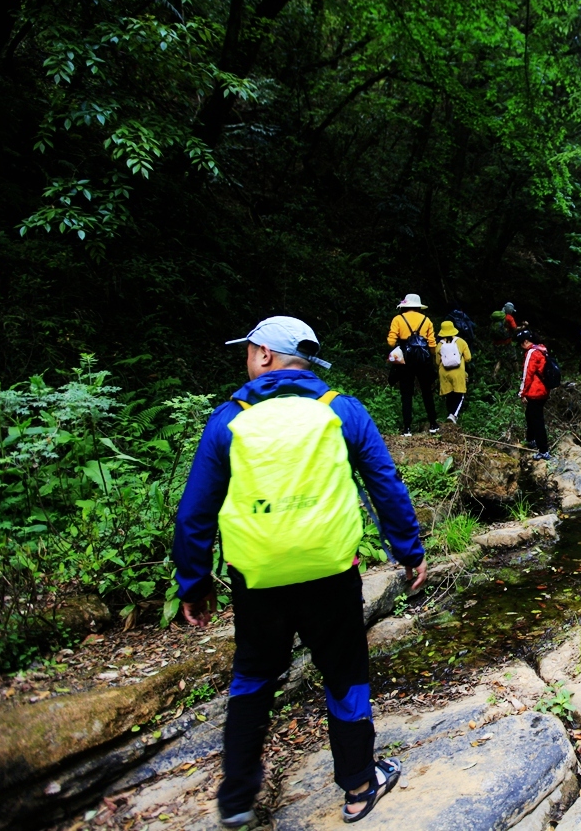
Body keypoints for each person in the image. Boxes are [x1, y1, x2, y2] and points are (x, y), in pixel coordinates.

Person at [172, 315, 428, 828]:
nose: (246, 359)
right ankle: (358, 787)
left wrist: (194, 583)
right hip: (331, 573)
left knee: (252, 679)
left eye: (249, 350)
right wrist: (410, 552)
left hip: (257, 580)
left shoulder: (228, 419)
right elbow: (386, 485)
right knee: (345, 674)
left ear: (265, 355)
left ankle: (238, 798)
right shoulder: (341, 411)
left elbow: (195, 512)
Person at [386, 294, 438, 435]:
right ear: (418, 306)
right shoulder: (426, 320)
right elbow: (432, 345)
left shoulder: (398, 319)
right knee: (427, 391)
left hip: (405, 360)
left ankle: (407, 428)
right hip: (423, 358)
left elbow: (391, 342)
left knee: (406, 393)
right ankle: (433, 424)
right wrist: (430, 357)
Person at [517, 328, 551, 459]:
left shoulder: (532, 353)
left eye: (521, 344)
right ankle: (531, 440)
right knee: (530, 414)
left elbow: (527, 375)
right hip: (543, 390)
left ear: (525, 342)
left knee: (537, 420)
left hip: (535, 391)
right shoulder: (542, 349)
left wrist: (522, 393)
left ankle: (543, 450)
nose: (521, 347)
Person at [435, 320, 472, 424]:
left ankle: (450, 414)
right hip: (458, 371)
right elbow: (468, 358)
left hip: (444, 373)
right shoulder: (461, 342)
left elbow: (438, 362)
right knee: (459, 394)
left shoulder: (439, 344)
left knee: (449, 394)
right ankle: (453, 415)